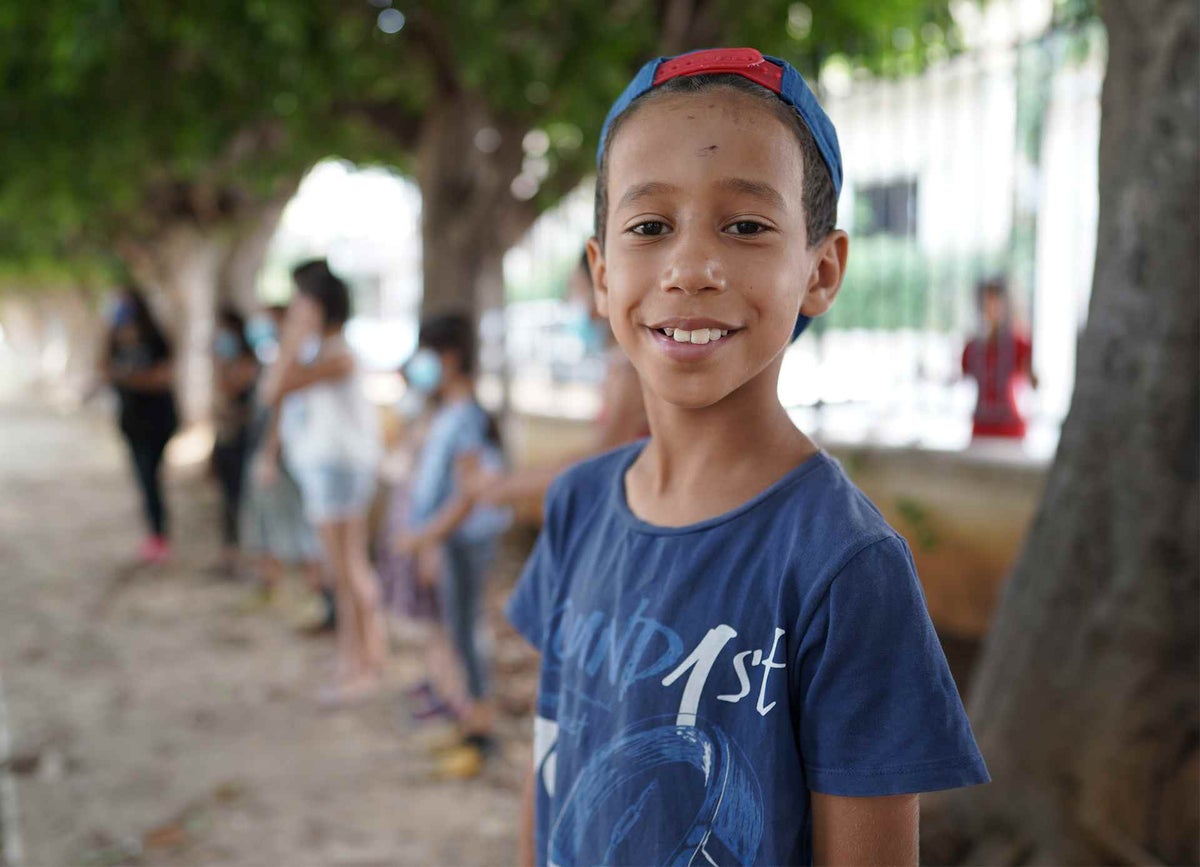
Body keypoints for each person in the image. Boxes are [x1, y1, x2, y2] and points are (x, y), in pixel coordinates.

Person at [505, 48, 989, 867]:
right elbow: (554, 757)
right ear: (601, 273)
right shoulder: (577, 503)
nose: (691, 268)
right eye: (650, 226)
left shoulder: (846, 565)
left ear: (821, 270)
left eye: (746, 226)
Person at [394, 313, 511, 778]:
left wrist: (426, 535)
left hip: (465, 541)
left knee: (467, 633)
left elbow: (468, 494)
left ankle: (481, 732)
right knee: (456, 630)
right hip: (453, 541)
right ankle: (468, 721)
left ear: (450, 357)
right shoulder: (449, 413)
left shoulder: (465, 418)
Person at [263, 260, 384, 706]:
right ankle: (359, 658)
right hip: (329, 471)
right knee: (346, 572)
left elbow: (274, 389)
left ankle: (361, 664)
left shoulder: (337, 356)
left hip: (339, 472)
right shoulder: (326, 353)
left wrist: (291, 340)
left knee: (347, 573)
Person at [239, 304, 327, 617]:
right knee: (272, 526)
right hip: (289, 454)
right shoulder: (279, 358)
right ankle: (278, 589)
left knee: (302, 532)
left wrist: (269, 453)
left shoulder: (300, 358)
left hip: (294, 457)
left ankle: (317, 600)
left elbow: (276, 401)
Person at [99, 287, 179, 564]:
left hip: (158, 420)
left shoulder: (155, 339)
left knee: (150, 476)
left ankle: (159, 534)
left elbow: (162, 378)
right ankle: (156, 534)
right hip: (131, 422)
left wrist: (128, 378)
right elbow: (103, 370)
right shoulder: (113, 341)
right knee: (144, 479)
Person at [210, 305, 259, 577]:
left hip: (244, 441)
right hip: (227, 438)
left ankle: (246, 558)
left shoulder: (246, 363)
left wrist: (220, 365)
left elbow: (229, 390)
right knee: (227, 500)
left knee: (242, 500)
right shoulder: (226, 361)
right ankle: (229, 554)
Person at [962, 276, 1038, 440]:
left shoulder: (1019, 345)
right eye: (986, 302)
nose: (990, 308)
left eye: (995, 301)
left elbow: (1035, 382)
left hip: (1010, 429)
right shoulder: (973, 347)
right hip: (981, 427)